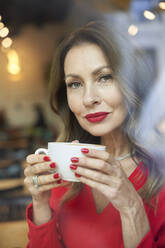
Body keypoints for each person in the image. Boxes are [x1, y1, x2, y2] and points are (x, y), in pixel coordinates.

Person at [24, 21, 165, 248]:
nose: (88, 99)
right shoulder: (65, 172)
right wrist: (40, 203)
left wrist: (131, 206)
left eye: (104, 77)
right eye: (75, 84)